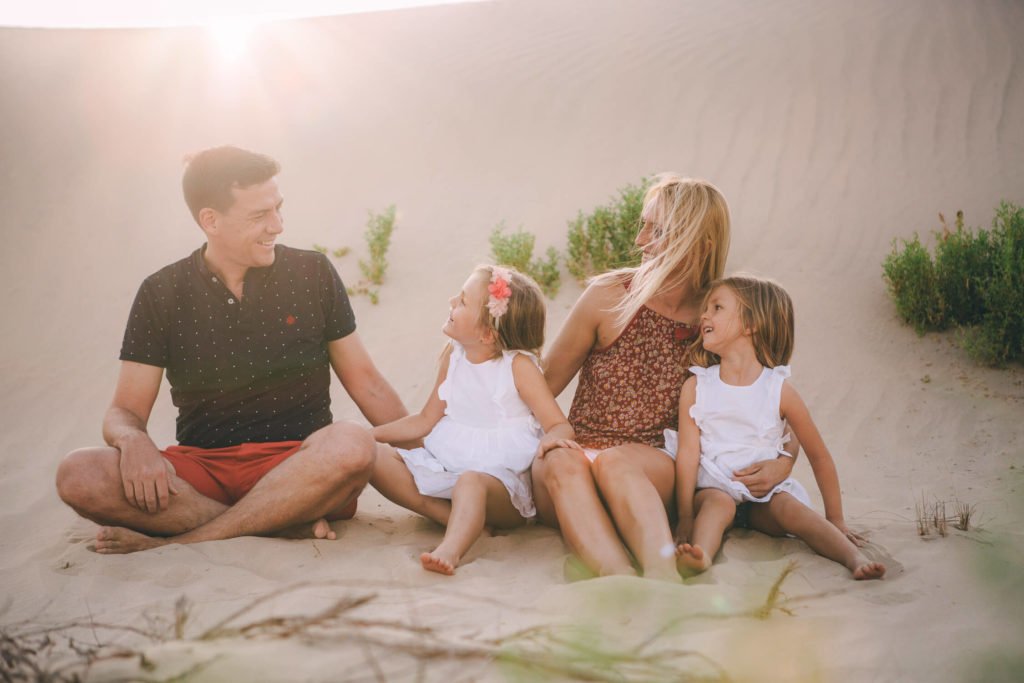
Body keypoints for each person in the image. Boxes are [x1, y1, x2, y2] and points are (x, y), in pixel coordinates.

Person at [55, 146, 408, 553]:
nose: (277, 225)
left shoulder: (312, 273)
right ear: (211, 220)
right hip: (202, 472)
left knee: (352, 443)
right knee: (78, 474)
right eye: (260, 215)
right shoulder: (162, 292)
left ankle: (194, 535)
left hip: (302, 466)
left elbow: (369, 385)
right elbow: (125, 411)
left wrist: (432, 460)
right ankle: (277, 521)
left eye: (278, 208)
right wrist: (133, 441)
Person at [533, 174, 799, 581]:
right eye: (643, 225)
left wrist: (785, 461)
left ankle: (660, 574)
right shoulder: (609, 296)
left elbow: (774, 394)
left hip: (656, 475)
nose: (640, 240)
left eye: (657, 230)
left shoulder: (717, 318)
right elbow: (542, 385)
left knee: (616, 461)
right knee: (559, 459)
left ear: (699, 244)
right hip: (576, 464)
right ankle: (619, 578)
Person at [370, 265, 580, 575]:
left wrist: (549, 443)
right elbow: (425, 420)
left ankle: (450, 550)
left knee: (470, 481)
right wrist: (369, 436)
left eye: (464, 301)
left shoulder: (519, 368)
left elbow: (559, 425)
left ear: (487, 333)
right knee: (373, 458)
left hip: (500, 487)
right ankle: (449, 516)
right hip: (448, 465)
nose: (453, 300)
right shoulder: (452, 356)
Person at [672, 276, 885, 580]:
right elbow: (687, 455)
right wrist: (684, 517)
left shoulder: (779, 389)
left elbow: (819, 456)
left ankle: (853, 558)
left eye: (717, 307)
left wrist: (836, 518)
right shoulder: (697, 386)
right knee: (716, 506)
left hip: (765, 498)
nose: (704, 315)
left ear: (750, 325)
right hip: (715, 486)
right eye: (706, 308)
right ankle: (701, 555)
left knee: (790, 509)